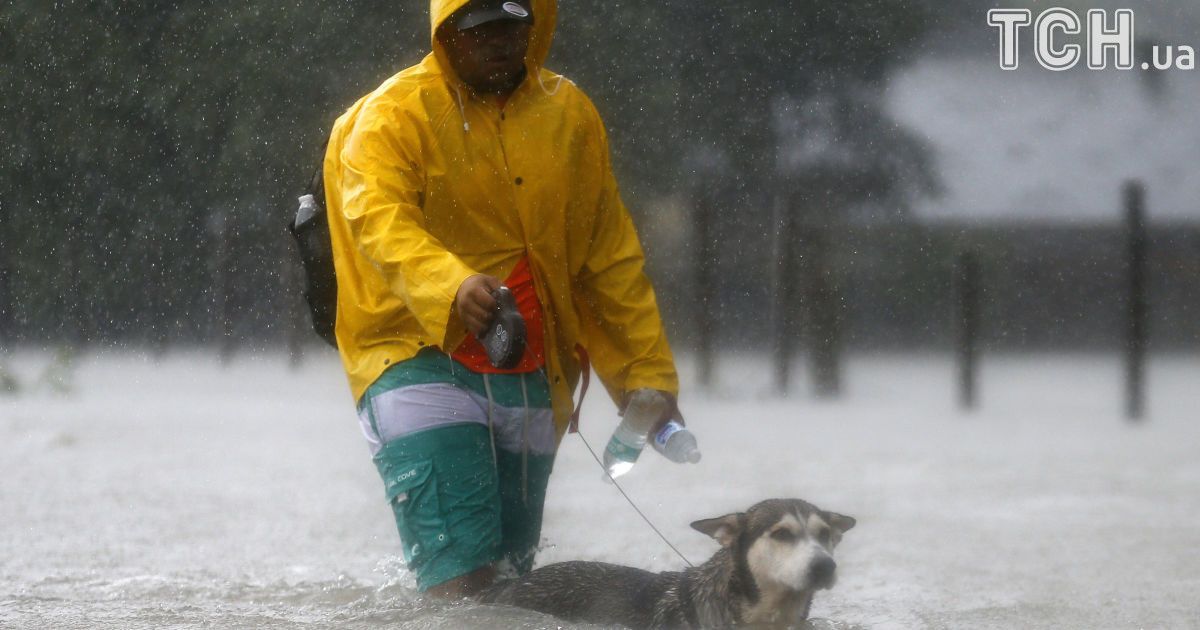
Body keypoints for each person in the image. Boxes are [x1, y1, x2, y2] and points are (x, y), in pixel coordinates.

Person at [322, 0, 680, 599]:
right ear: (446, 33)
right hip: (412, 357)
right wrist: (451, 285)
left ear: (534, 22)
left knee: (515, 593)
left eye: (512, 21)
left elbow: (608, 254)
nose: (498, 39)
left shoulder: (571, 113)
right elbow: (378, 221)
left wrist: (646, 374)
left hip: (533, 370)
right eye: (477, 27)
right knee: (464, 584)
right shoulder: (389, 116)